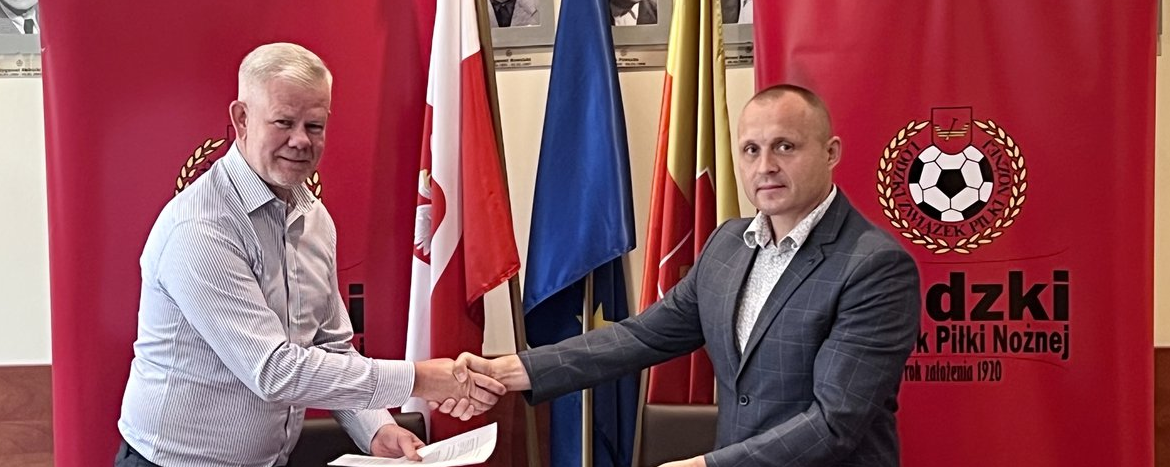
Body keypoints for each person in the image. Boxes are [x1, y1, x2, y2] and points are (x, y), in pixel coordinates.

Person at [448, 84, 921, 466]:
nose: (766, 166)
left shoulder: (873, 266)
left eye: (785, 146)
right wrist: (508, 371)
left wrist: (706, 466)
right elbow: (640, 337)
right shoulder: (728, 245)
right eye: (751, 149)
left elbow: (834, 423)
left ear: (831, 152)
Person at [115, 43, 504, 467]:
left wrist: (376, 429)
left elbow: (331, 346)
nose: (301, 140)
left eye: (314, 125)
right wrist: (420, 379)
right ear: (242, 119)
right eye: (284, 122)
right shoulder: (200, 227)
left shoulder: (314, 218)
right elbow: (273, 371)